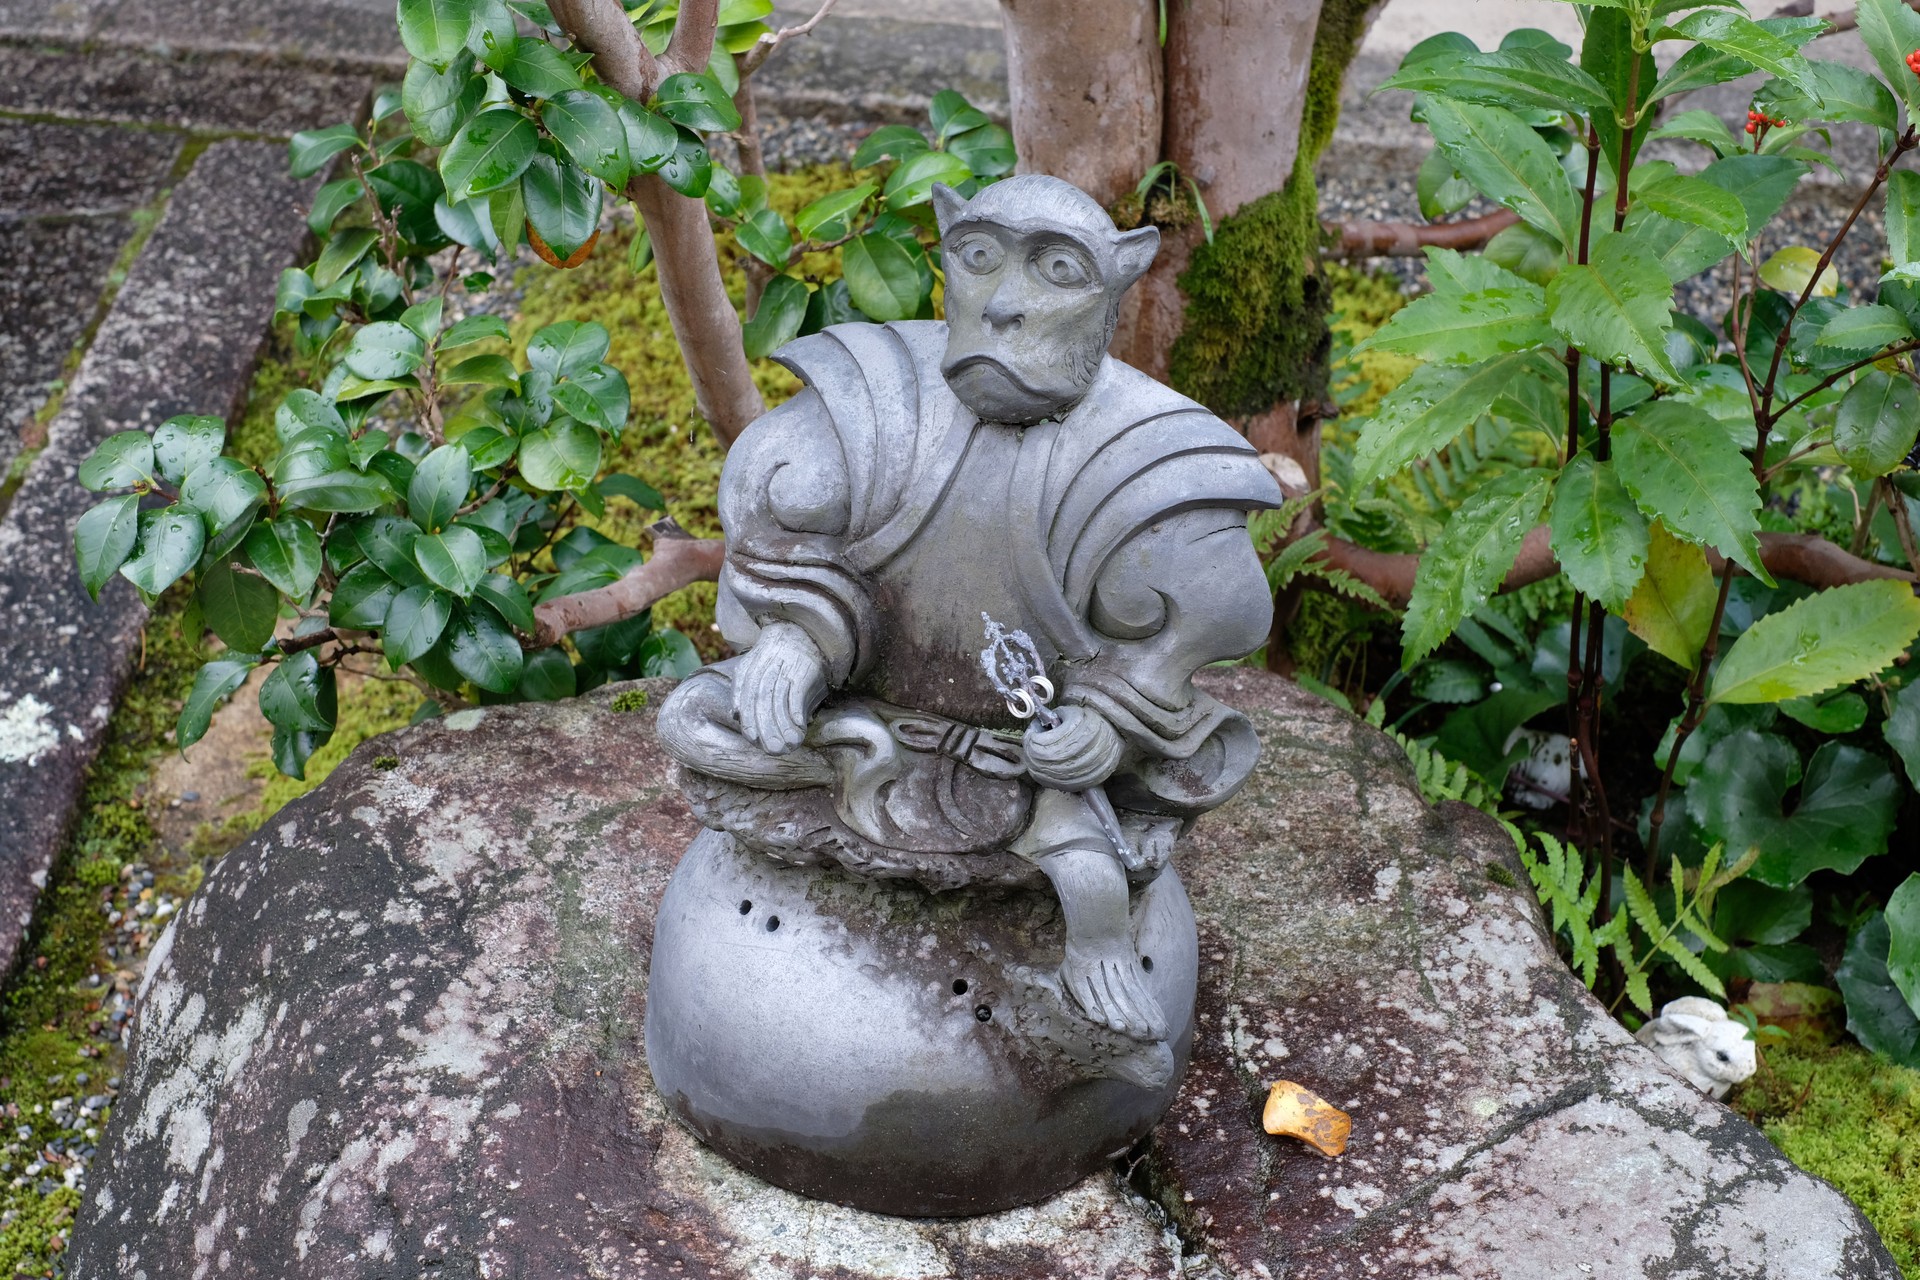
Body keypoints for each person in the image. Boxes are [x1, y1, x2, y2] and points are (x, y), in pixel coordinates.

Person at [658, 175, 1282, 1043]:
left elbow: (1192, 635)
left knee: (1092, 877)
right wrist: (799, 642)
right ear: (946, 256)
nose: (1005, 306)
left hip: (1022, 760)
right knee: (703, 724)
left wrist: (1102, 724)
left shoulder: (1157, 462)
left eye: (1058, 272)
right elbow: (794, 546)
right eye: (979, 258)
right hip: (859, 734)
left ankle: (1095, 970)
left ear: (1117, 285)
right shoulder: (868, 402)